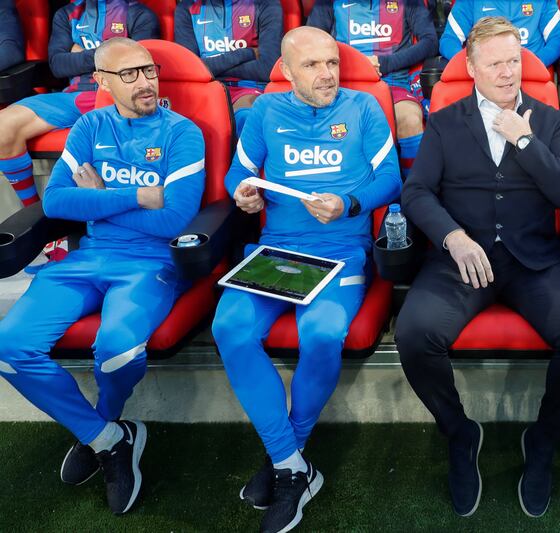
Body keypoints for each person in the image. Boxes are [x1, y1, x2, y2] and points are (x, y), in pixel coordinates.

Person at [396, 16, 560, 519]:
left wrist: (525, 141)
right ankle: (460, 434)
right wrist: (452, 236)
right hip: (462, 261)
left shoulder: (549, 120)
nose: (508, 72)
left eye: (515, 60)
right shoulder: (446, 122)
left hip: (535, 260)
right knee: (414, 333)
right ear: (470, 67)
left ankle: (544, 441)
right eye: (495, 63)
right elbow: (417, 192)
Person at [0, 37, 206, 515]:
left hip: (150, 263)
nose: (146, 82)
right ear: (103, 81)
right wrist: (135, 196)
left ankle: (101, 426)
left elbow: (173, 221)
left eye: (149, 70)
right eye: (129, 74)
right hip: (87, 260)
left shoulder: (182, 132)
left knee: (117, 352)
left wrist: (99, 198)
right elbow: (55, 203)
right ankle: (109, 438)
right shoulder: (90, 125)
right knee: (9, 349)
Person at [211, 26, 401, 533]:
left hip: (341, 251)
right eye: (313, 66)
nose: (326, 75)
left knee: (321, 334)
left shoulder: (363, 108)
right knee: (229, 329)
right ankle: (293, 466)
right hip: (275, 251)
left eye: (332, 63)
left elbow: (392, 180)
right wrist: (244, 194)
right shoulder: (265, 113)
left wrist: (349, 203)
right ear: (286, 71)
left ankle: (283, 459)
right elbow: (238, 173)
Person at [0, 0, 158, 209]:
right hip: (74, 96)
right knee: (4, 126)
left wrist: (79, 54)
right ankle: (34, 213)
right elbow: (58, 65)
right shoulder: (67, 14)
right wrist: (107, 54)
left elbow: (135, 64)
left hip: (118, 96)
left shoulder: (138, 13)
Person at [308, 0, 437, 180]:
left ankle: (416, 189)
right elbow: (310, 46)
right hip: (345, 82)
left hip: (393, 80)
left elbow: (430, 42)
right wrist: (357, 65)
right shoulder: (328, 4)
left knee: (410, 119)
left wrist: (384, 63)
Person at [174, 0, 283, 135]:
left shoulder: (266, 4)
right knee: (179, 125)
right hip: (205, 89)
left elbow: (267, 69)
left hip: (248, 88)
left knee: (249, 118)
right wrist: (246, 53)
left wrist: (207, 66)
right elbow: (189, 70)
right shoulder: (187, 7)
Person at [439, 0, 560, 67]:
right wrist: (473, 64)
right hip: (482, 79)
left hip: (529, 76)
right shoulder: (470, 2)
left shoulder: (543, 1)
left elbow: (557, 39)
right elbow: (449, 40)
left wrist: (535, 63)